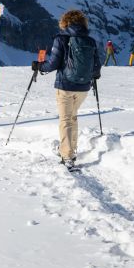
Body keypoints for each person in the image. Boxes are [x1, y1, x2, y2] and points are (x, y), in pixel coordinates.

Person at [33, 10, 102, 170]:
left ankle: (67, 156)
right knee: (72, 118)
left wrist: (38, 66)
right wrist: (92, 76)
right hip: (83, 88)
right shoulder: (90, 41)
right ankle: (70, 150)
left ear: (65, 23)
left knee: (65, 120)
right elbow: (97, 66)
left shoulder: (61, 39)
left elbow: (53, 63)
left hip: (65, 86)